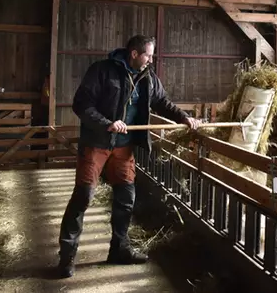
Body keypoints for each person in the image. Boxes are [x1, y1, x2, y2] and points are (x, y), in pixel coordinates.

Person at [57, 35, 201, 278]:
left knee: (125, 197)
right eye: (148, 55)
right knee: (83, 196)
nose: (151, 60)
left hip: (124, 147)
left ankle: (119, 249)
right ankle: (67, 256)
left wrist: (183, 117)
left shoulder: (148, 77)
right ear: (134, 53)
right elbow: (81, 104)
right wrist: (107, 123)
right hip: (97, 142)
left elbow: (162, 102)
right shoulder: (102, 71)